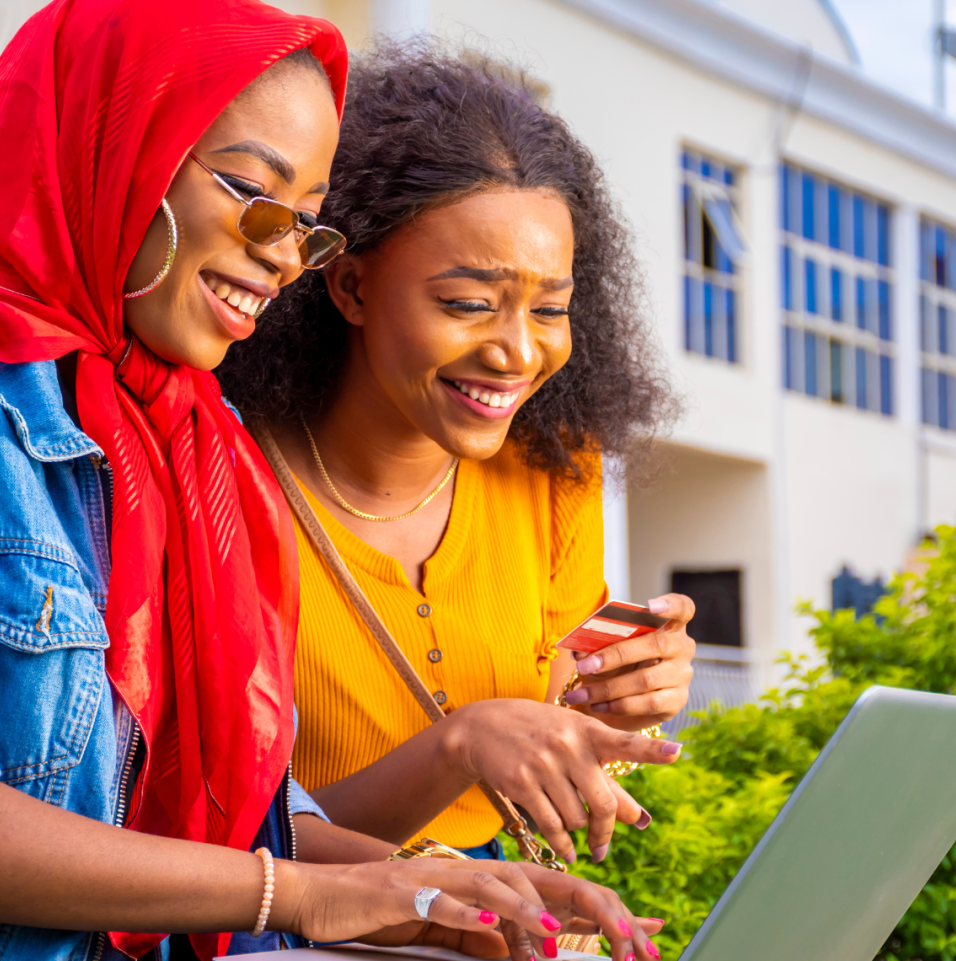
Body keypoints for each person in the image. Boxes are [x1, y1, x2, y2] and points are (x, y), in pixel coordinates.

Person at [0, 0, 665, 961]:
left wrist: (436, 894)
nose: (284, 255)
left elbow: (241, 819)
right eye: (254, 194)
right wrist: (292, 895)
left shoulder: (186, 442)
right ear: (119, 147)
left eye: (305, 220)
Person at [217, 45, 697, 867]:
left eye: (550, 309)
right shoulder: (215, 473)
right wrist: (457, 745)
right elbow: (206, 845)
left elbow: (544, 752)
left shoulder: (553, 468)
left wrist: (614, 712)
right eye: (469, 304)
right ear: (351, 287)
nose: (516, 354)